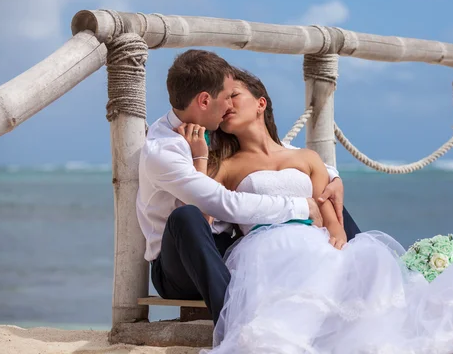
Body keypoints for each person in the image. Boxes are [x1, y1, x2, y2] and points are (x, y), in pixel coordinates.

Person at [177, 68, 453, 353]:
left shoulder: (307, 157)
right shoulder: (225, 167)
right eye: (223, 100)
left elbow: (333, 221)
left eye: (235, 97)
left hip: (313, 242)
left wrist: (338, 245)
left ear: (260, 104)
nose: (226, 106)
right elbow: (206, 216)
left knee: (371, 287)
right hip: (264, 252)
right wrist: (199, 158)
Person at [135, 49, 360, 325]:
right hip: (180, 261)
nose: (229, 104)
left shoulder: (216, 129)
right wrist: (300, 206)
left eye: (234, 96)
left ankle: (367, 282)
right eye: (227, 96)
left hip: (225, 249)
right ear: (205, 101)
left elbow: (275, 160)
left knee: (331, 200)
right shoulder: (165, 150)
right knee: (186, 216)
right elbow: (220, 203)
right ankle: (234, 326)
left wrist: (332, 178)